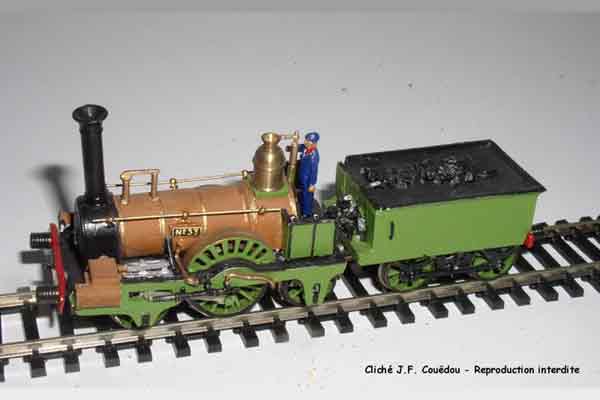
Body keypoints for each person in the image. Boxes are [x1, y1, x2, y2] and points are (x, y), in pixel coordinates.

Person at [297, 132, 320, 218]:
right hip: (302, 176)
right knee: (302, 193)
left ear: (314, 143)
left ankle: (306, 213)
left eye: (308, 141)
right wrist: (293, 145)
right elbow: (300, 147)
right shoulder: (305, 148)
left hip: (308, 179)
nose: (305, 142)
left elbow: (314, 171)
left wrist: (312, 184)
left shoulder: (314, 155)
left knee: (307, 196)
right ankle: (301, 206)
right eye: (305, 140)